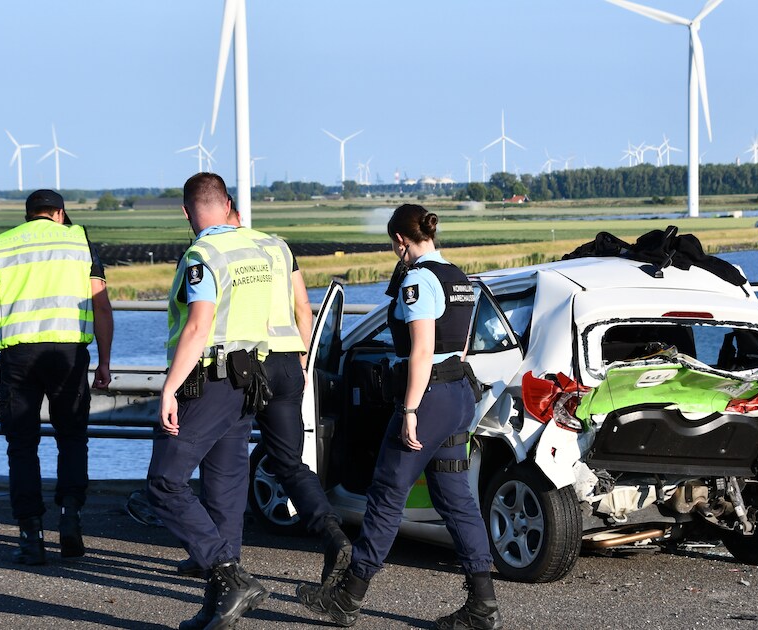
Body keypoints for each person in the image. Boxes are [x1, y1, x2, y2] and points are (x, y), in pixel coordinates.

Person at [296, 204, 502, 629]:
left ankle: (349, 596)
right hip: (459, 394)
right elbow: (460, 347)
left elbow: (422, 350)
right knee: (455, 498)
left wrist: (409, 409)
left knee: (388, 494)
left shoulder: (418, 280)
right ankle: (482, 605)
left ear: (399, 241)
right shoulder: (459, 278)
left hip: (428, 398)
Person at [144, 173, 274, 630]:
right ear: (228, 204)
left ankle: (229, 574)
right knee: (224, 492)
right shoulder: (257, 249)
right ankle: (220, 606)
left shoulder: (203, 255)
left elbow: (198, 326)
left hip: (208, 380)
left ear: (186, 211)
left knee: (164, 482)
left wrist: (169, 388)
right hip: (248, 380)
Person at [0, 189, 113, 565]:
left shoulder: (4, 245)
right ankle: (70, 520)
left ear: (28, 214)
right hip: (69, 354)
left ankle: (30, 536)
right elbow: (101, 304)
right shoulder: (80, 240)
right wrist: (104, 362)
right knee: (72, 438)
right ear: (60, 213)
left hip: (18, 356)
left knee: (22, 445)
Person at [229, 201, 354, 584]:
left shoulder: (219, 249)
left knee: (228, 460)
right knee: (291, 462)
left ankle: (223, 558)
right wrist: (302, 356)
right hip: (287, 364)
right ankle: (332, 534)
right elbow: (304, 306)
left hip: (244, 365)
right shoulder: (278, 247)